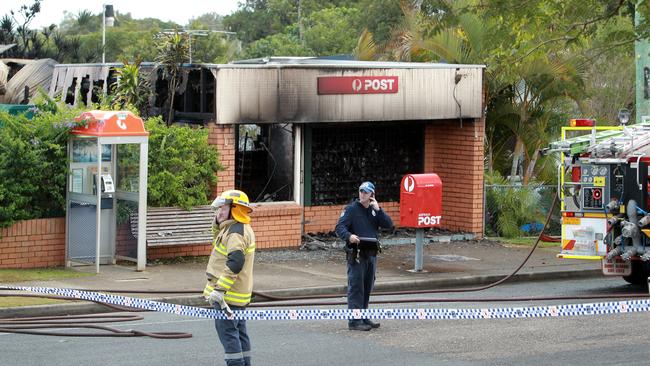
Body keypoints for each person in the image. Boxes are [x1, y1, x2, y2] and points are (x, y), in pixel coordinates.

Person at [204, 189, 256, 366]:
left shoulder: (235, 232)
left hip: (228, 297)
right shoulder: (234, 229)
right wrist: (217, 223)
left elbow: (235, 262)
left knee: (229, 336)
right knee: (239, 334)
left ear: (235, 209)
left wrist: (219, 290)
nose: (219, 212)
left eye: (223, 208)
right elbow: (218, 244)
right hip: (235, 295)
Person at [335, 181, 394, 331]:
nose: (362, 194)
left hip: (371, 255)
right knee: (356, 287)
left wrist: (378, 209)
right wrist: (349, 236)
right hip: (357, 255)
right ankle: (354, 321)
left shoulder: (374, 211)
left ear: (372, 195)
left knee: (367, 287)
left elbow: (388, 224)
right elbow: (339, 227)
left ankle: (363, 316)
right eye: (361, 191)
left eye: (366, 192)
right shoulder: (351, 209)